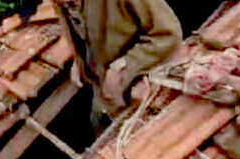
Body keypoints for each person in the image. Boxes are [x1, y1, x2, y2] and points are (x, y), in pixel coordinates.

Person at [53, 0, 182, 132]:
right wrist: (80, 59)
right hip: (103, 94)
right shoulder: (62, 3)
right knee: (97, 122)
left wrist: (126, 65)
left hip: (142, 91)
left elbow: (167, 35)